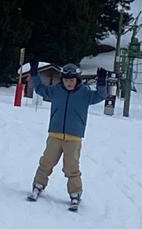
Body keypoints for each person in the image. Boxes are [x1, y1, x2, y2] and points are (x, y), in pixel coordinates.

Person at [27, 62, 106, 209]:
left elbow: (100, 96)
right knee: (46, 162)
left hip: (73, 138)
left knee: (71, 167)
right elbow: (40, 89)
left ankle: (75, 193)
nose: (69, 83)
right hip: (55, 135)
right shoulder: (57, 91)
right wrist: (34, 74)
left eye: (72, 80)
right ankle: (38, 185)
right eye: (66, 80)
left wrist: (101, 83)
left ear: (77, 80)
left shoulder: (84, 94)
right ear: (62, 80)